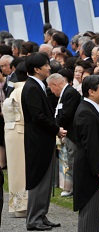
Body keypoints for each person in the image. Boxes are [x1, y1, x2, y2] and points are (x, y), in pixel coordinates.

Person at [21, 52, 66, 231]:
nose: (49, 67)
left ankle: (41, 214)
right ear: (36, 69)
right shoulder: (32, 87)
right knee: (38, 180)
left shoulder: (37, 85)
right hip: (37, 142)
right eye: (46, 65)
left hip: (43, 140)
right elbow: (38, 116)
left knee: (45, 180)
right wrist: (56, 129)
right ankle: (33, 219)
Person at [73, 75, 99, 232]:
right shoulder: (86, 112)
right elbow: (91, 146)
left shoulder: (91, 108)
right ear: (91, 91)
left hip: (92, 171)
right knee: (90, 215)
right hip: (90, 172)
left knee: (95, 216)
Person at [46, 73, 81, 197]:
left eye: (50, 87)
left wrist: (55, 127)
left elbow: (66, 114)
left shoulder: (70, 93)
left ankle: (75, 188)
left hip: (72, 133)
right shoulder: (65, 93)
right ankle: (71, 188)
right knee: (68, 160)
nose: (51, 91)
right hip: (66, 133)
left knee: (72, 161)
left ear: (55, 84)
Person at [2, 61, 27, 217]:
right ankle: (20, 206)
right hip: (20, 131)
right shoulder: (23, 90)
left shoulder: (14, 90)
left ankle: (18, 205)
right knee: (20, 172)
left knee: (16, 171)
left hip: (11, 132)